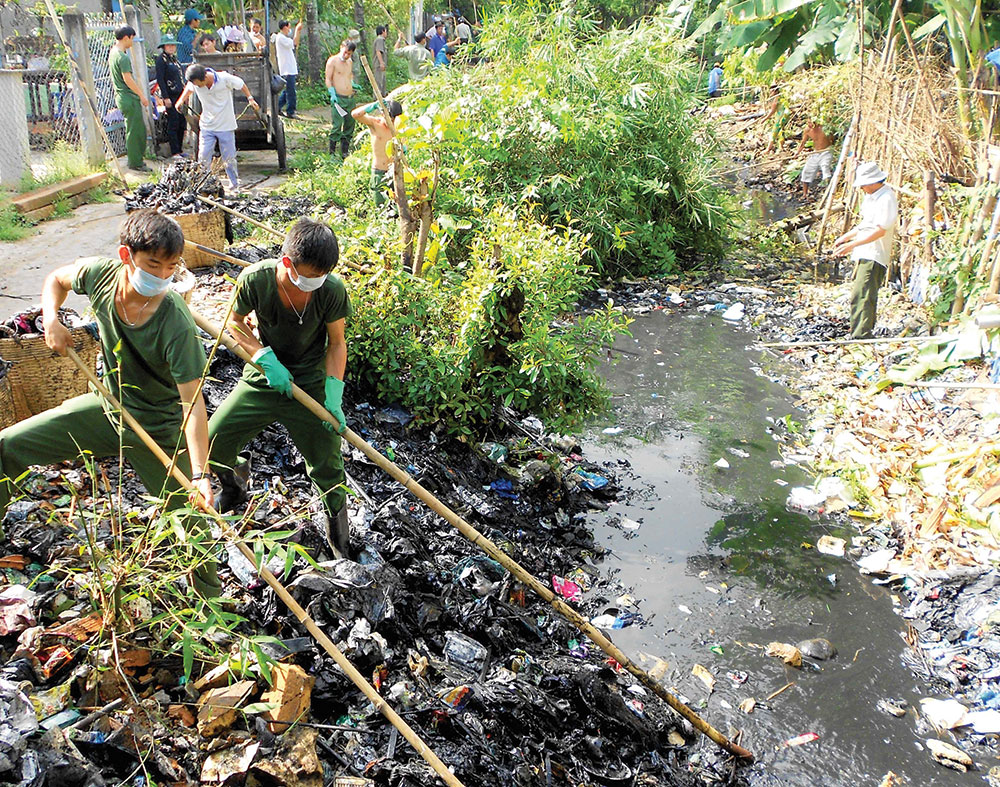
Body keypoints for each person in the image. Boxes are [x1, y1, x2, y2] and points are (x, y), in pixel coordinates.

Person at [0, 211, 221, 598]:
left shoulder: (176, 324)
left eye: (172, 267)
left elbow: (193, 405)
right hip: (108, 408)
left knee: (192, 526)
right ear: (126, 255)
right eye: (153, 265)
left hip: (158, 429)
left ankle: (214, 611)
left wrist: (200, 474)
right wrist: (50, 319)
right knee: (7, 447)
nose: (162, 277)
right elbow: (57, 278)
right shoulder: (101, 275)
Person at [207, 218, 353, 558]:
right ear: (286, 262)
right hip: (264, 377)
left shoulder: (330, 290)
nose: (312, 285)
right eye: (307, 277)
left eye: (320, 277)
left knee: (328, 465)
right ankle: (235, 482)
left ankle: (339, 541)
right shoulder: (256, 280)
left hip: (311, 385)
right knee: (213, 441)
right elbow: (234, 322)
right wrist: (262, 356)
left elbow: (336, 344)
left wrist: (334, 395)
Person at [832, 162, 899, 339]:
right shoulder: (872, 197)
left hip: (875, 253)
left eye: (863, 185)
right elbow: (865, 224)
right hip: (865, 251)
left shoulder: (887, 198)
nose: (862, 188)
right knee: (858, 294)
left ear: (872, 182)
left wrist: (852, 245)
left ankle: (862, 335)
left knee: (864, 294)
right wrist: (845, 237)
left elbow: (880, 230)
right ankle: (857, 331)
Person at [176, 63, 259, 192]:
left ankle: (234, 184)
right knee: (203, 156)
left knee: (229, 157)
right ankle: (204, 183)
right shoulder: (195, 82)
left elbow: (241, 83)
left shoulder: (224, 78)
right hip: (207, 125)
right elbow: (189, 88)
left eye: (198, 83)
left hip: (225, 125)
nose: (197, 86)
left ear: (205, 77)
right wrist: (181, 100)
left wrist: (250, 98)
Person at [110, 25, 149, 173]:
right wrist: (142, 95)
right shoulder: (122, 57)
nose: (132, 42)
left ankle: (137, 159)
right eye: (132, 38)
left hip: (121, 97)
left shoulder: (113, 53)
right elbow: (128, 79)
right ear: (126, 38)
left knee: (133, 129)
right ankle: (135, 162)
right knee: (135, 131)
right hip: (128, 98)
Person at [351, 98, 402, 205]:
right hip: (379, 171)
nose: (392, 122)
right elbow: (355, 114)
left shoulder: (399, 128)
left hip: (395, 172)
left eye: (394, 120)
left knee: (396, 204)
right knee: (380, 204)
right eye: (390, 119)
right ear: (384, 114)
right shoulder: (375, 123)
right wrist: (373, 106)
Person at [155, 35, 187, 159]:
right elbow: (161, 80)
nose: (171, 47)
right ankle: (174, 151)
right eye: (169, 45)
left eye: (173, 45)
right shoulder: (161, 60)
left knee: (181, 123)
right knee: (173, 123)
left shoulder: (174, 60)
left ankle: (180, 149)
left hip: (180, 95)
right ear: (164, 47)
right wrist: (165, 97)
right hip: (171, 96)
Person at [325, 39, 357, 159]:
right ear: (341, 47)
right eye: (345, 52)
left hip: (350, 98)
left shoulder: (349, 62)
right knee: (337, 125)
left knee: (350, 124)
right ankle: (332, 153)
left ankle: (344, 151)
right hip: (338, 98)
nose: (346, 55)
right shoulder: (332, 61)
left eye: (349, 53)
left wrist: (352, 83)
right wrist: (332, 92)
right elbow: (328, 78)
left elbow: (349, 75)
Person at [275, 19, 303, 118]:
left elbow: (295, 43)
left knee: (287, 90)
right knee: (291, 92)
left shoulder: (283, 38)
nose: (289, 29)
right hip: (287, 69)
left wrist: (298, 31)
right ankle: (291, 111)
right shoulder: (281, 38)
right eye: (289, 27)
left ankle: (276, 107)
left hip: (289, 68)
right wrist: (297, 30)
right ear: (285, 27)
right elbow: (294, 43)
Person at [798, 120, 833, 199]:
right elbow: (803, 142)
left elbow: (832, 139)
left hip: (826, 151)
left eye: (811, 123)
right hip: (815, 153)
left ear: (816, 122)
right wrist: (797, 153)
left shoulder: (824, 128)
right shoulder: (807, 130)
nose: (809, 125)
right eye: (808, 123)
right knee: (806, 172)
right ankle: (805, 194)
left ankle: (829, 191)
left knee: (825, 168)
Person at [373, 25, 388, 95]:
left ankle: (382, 97)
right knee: (379, 82)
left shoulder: (382, 40)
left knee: (382, 82)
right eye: (386, 31)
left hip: (380, 65)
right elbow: (378, 51)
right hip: (378, 65)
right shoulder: (379, 40)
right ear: (383, 31)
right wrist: (381, 63)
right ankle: (377, 99)